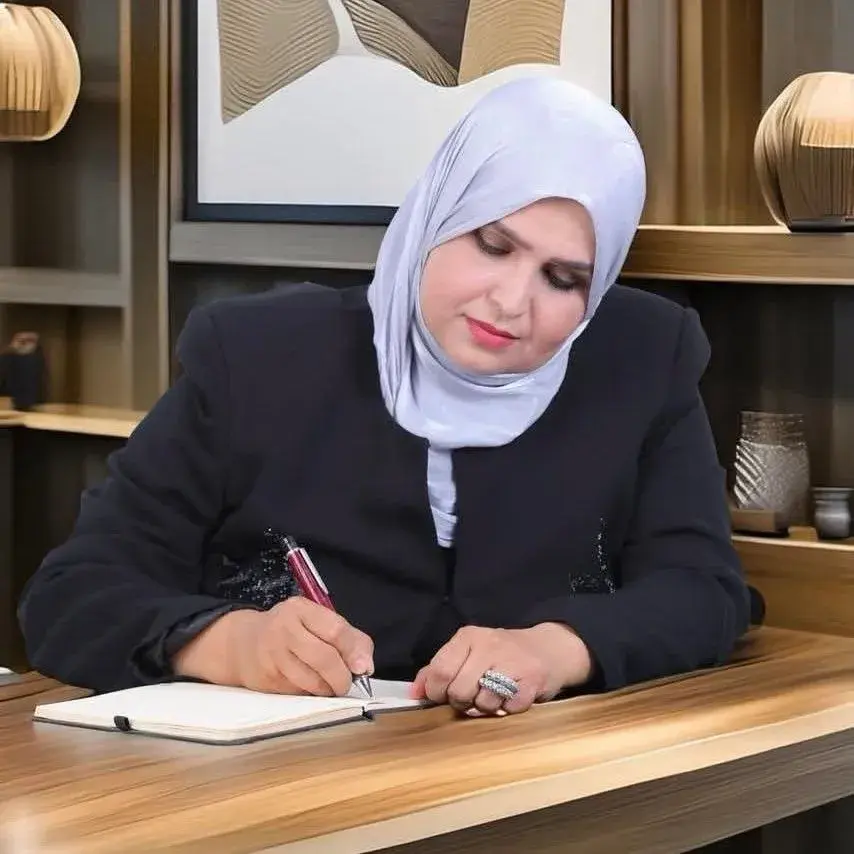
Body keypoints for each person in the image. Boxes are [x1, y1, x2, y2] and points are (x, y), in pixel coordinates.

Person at [18, 78, 751, 717]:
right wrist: (228, 642)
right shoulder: (257, 357)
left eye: (562, 280)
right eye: (492, 245)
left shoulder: (641, 357)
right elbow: (72, 594)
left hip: (537, 785)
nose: (511, 301)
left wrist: (555, 650)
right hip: (279, 790)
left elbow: (703, 591)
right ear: (436, 215)